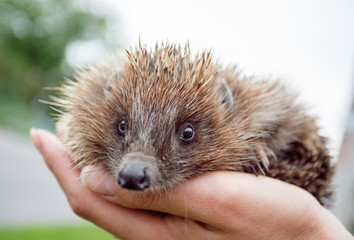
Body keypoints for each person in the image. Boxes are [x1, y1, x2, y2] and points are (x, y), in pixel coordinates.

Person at [30, 128, 353, 240]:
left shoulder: (261, 123)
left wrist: (311, 234)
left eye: (186, 135)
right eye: (123, 128)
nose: (132, 170)